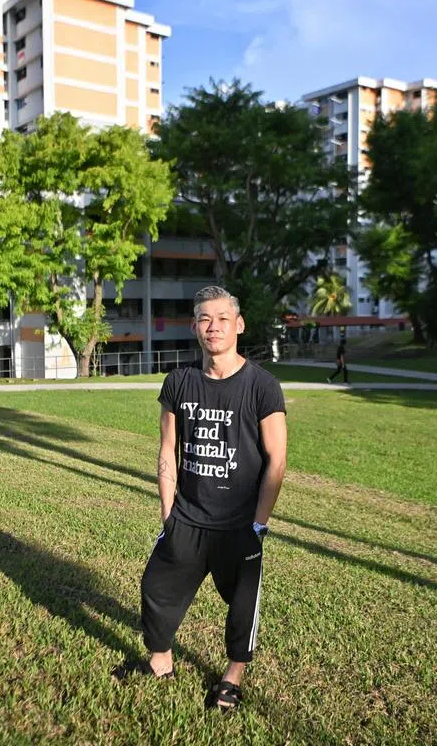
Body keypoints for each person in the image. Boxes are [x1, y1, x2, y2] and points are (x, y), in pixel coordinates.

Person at [129, 285, 288, 713]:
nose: (212, 327)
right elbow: (167, 449)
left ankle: (232, 677)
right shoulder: (179, 381)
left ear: (238, 325)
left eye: (221, 318)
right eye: (204, 319)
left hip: (240, 524)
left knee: (241, 605)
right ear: (195, 327)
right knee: (156, 589)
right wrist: (167, 513)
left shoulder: (263, 387)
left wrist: (259, 524)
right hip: (187, 517)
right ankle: (160, 662)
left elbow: (276, 460)